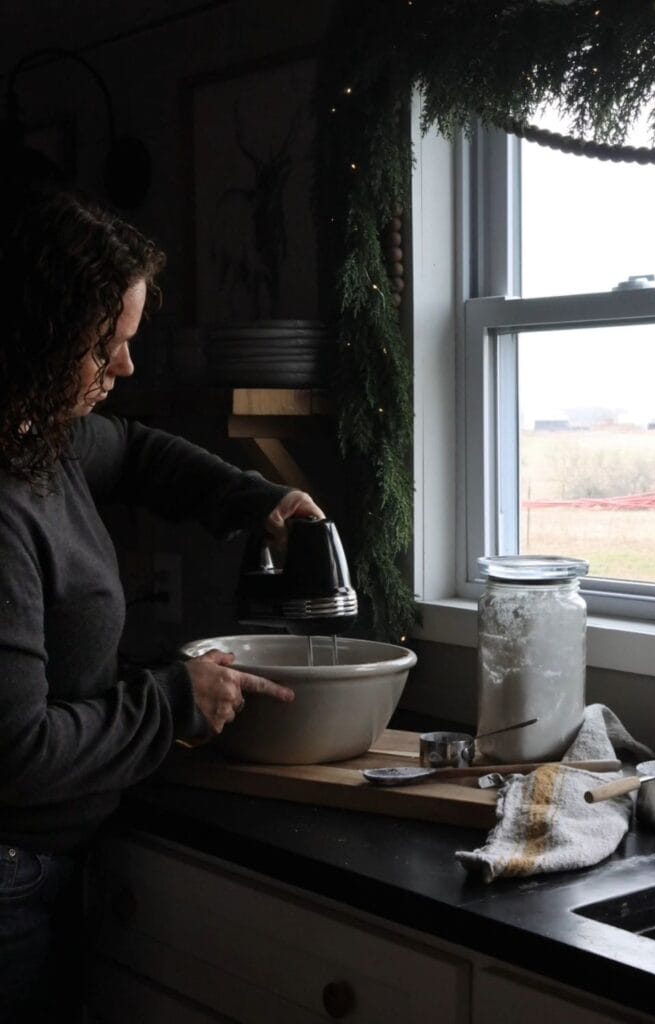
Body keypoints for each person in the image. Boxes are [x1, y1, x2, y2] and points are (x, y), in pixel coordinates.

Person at [0, 187, 324, 1021]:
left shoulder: (36, 433)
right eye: (105, 345)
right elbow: (17, 754)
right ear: (33, 338)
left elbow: (139, 454)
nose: (126, 369)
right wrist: (173, 701)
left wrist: (259, 500)